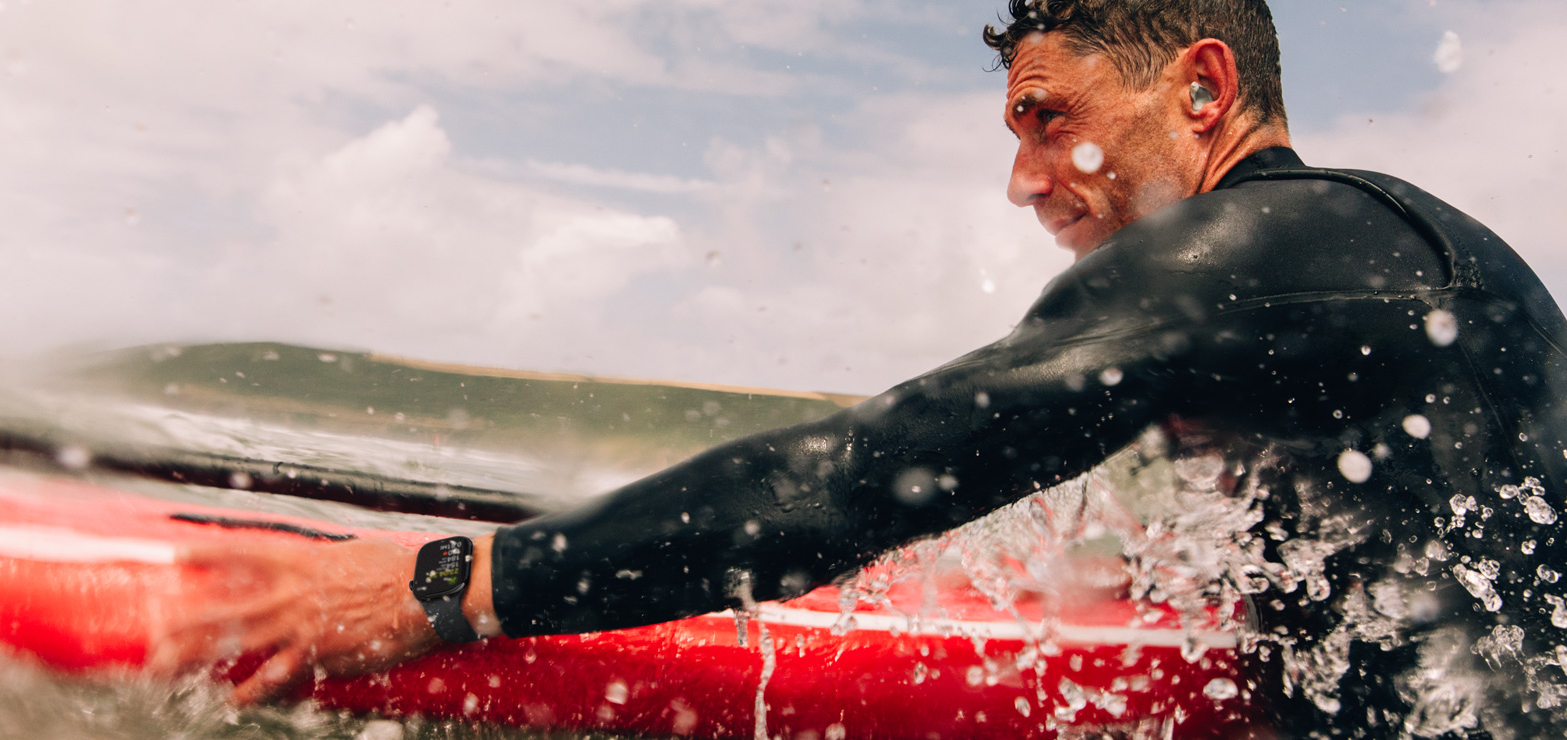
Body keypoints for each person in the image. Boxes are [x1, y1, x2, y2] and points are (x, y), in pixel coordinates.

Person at [151, 0, 1567, 736]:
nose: (1022, 181)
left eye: (1046, 117)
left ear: (1201, 89)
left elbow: (860, 477)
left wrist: (445, 588)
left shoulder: (1246, 254)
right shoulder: (1382, 261)